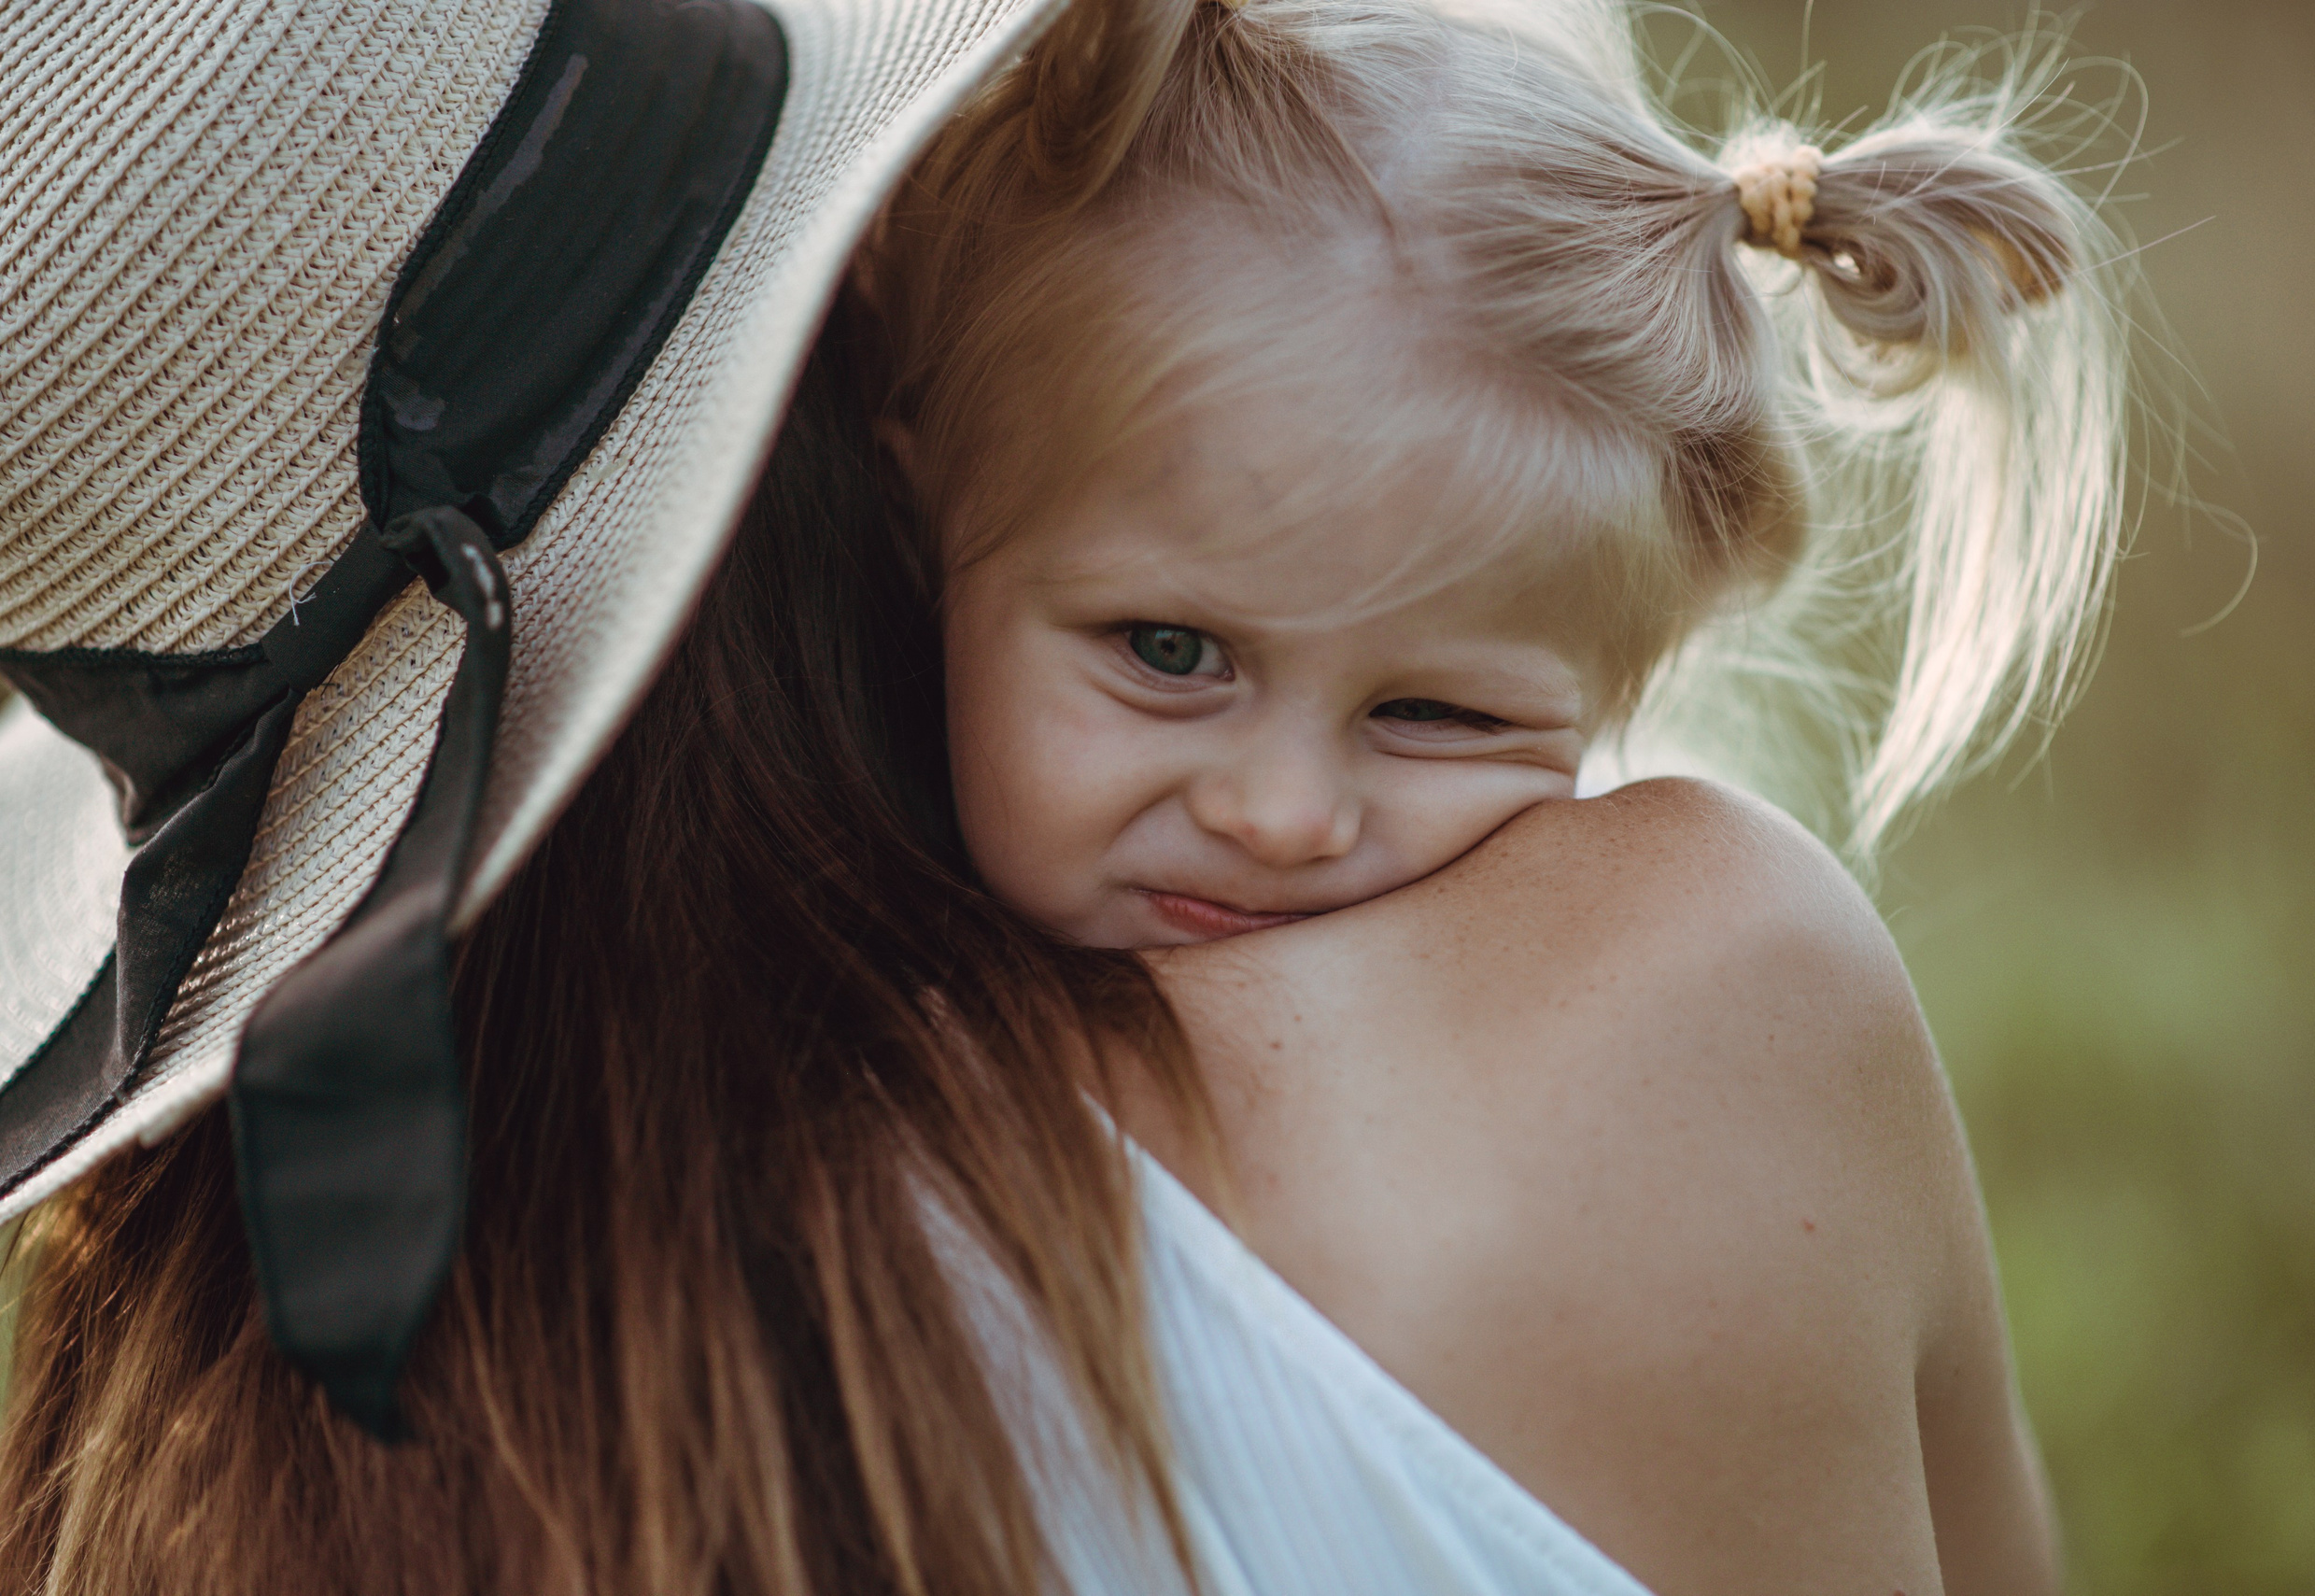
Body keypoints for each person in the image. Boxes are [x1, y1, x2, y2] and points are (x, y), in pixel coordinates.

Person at [0, 0, 2125, 1591]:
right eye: (1173, 655)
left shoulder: (160, 1444)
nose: (1284, 818)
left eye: (1437, 717)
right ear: (893, 436)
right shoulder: (1687, 1002)